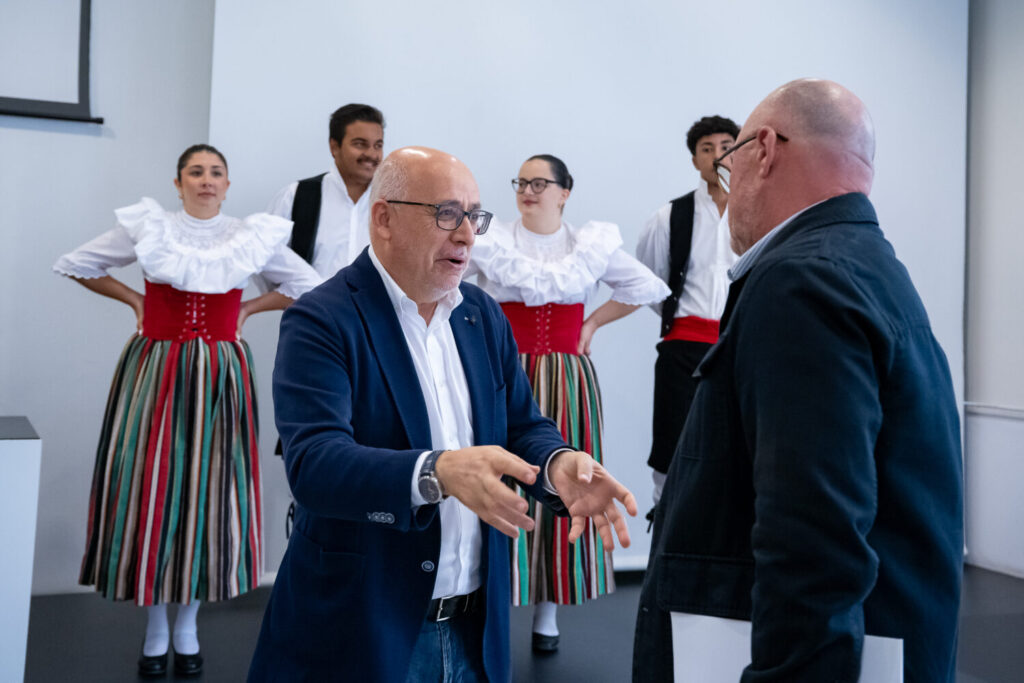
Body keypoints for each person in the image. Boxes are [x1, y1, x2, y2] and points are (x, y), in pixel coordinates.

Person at [248, 146, 638, 682]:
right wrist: (437, 471)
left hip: (477, 631)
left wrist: (557, 464)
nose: (466, 235)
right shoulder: (322, 319)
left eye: (474, 217)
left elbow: (523, 424)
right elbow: (315, 466)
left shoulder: (482, 315)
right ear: (383, 218)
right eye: (447, 214)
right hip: (363, 630)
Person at [633, 79, 963, 682]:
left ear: (763, 150)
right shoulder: (866, 265)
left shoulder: (800, 284)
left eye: (730, 166)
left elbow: (815, 541)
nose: (729, 196)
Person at [53, 144, 321, 678]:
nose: (206, 181)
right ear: (178, 183)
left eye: (215, 173)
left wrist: (248, 306)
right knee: (151, 486)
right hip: (156, 367)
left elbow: (308, 283)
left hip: (221, 374)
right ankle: (155, 628)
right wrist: (135, 301)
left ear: (227, 183)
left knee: (211, 489)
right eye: (195, 172)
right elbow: (76, 262)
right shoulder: (152, 226)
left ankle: (188, 625)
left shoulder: (249, 235)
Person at [466, 154, 669, 652]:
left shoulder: (588, 244)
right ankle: (487, 600)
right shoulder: (492, 240)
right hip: (504, 375)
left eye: (540, 182)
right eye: (521, 182)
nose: (527, 190)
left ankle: (547, 611)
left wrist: (593, 322)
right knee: (496, 479)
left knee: (567, 484)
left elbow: (647, 286)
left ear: (565, 191)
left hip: (566, 379)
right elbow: (450, 288)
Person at [635, 115, 740, 512]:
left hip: (739, 346)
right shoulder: (669, 217)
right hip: (682, 349)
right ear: (695, 160)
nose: (718, 156)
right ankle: (665, 530)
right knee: (672, 447)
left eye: (726, 146)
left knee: (740, 445)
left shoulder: (759, 213)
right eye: (707, 149)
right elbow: (649, 284)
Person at [264, 103, 385, 276]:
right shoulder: (296, 196)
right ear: (334, 147)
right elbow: (267, 260)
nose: (372, 154)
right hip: (310, 303)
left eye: (378, 145)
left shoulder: (391, 203)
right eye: (360, 144)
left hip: (372, 304)